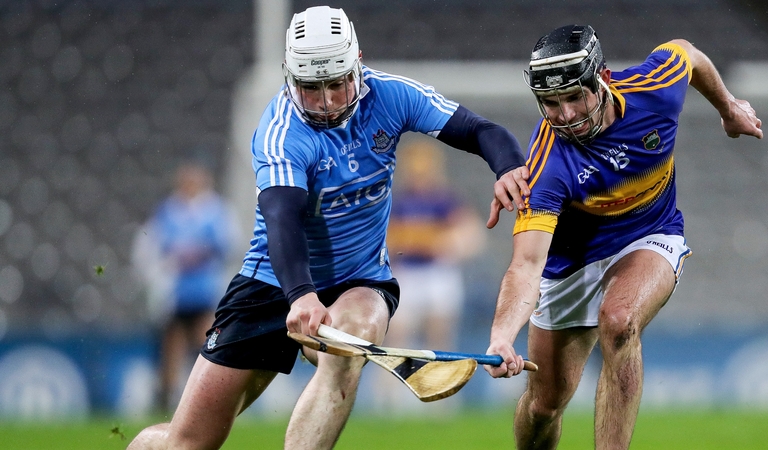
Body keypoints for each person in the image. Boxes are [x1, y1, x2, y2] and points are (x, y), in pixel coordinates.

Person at [128, 6, 529, 450]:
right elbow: (282, 219)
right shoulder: (281, 132)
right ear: (290, 77)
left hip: (360, 280)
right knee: (186, 443)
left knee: (350, 343)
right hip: (273, 283)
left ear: (358, 63)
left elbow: (477, 129)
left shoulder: (390, 95)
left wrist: (508, 165)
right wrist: (300, 296)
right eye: (310, 88)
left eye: (337, 84)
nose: (326, 102)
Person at [482, 25, 763, 449]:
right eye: (552, 103)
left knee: (619, 319)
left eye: (575, 96)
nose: (566, 116)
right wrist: (502, 336)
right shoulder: (545, 168)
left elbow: (688, 52)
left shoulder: (655, 91)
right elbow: (526, 264)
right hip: (569, 265)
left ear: (604, 79)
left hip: (650, 234)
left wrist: (727, 108)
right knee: (544, 406)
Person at [377, 139, 486, 412]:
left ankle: (440, 397)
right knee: (398, 336)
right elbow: (387, 240)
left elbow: (472, 237)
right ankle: (392, 399)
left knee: (439, 335)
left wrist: (444, 243)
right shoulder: (398, 202)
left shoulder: (444, 200)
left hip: (437, 272)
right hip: (407, 274)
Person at [131, 162, 240, 412]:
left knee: (210, 343)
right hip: (176, 294)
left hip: (206, 292)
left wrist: (201, 254)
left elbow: (229, 246)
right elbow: (149, 248)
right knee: (172, 348)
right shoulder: (168, 211)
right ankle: (166, 399)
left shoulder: (216, 210)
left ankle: (215, 396)